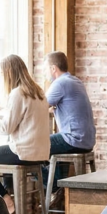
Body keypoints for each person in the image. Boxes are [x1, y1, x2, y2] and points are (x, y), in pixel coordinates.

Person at [0, 55, 51, 214]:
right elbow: (21, 116)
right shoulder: (38, 91)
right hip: (40, 153)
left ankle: (6, 201)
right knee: (3, 163)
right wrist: (0, 112)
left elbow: (5, 129)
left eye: (2, 73)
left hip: (23, 152)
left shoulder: (17, 93)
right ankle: (8, 201)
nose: (1, 77)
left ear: (8, 72)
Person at [45, 50, 95, 186]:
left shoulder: (60, 83)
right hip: (87, 140)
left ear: (53, 68)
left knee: (36, 145)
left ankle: (55, 184)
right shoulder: (75, 81)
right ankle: (59, 187)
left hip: (73, 139)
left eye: (46, 69)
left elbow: (39, 106)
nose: (45, 73)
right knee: (51, 146)